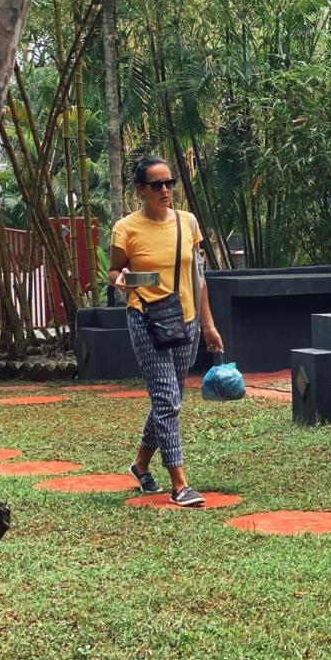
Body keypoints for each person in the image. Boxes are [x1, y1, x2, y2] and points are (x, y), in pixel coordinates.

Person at [108, 155, 224, 507]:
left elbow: (198, 277)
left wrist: (208, 325)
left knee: (169, 399)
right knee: (168, 399)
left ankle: (140, 466)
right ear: (141, 190)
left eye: (169, 183)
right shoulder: (125, 228)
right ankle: (180, 484)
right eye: (156, 184)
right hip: (145, 318)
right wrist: (123, 281)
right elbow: (114, 272)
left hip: (185, 319)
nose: (165, 190)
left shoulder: (188, 224)